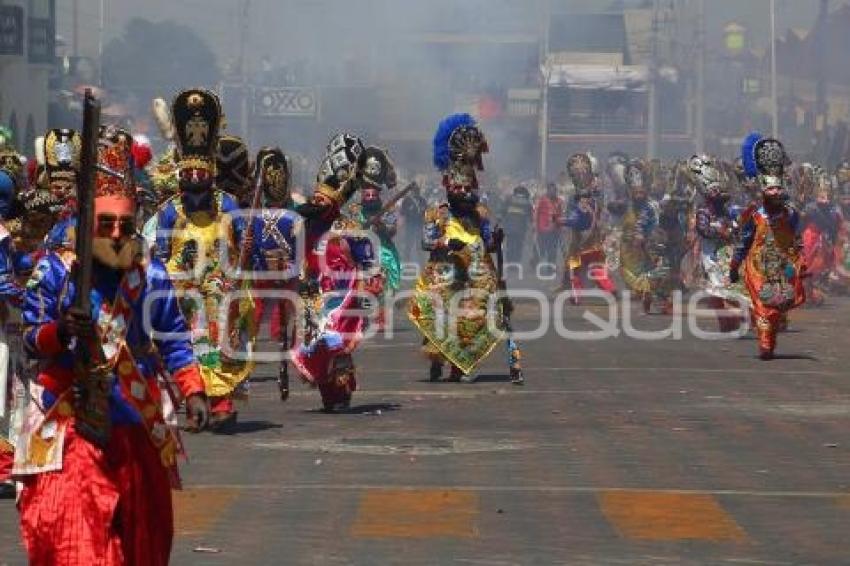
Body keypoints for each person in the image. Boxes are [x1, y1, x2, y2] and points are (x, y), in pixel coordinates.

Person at [15, 124, 209, 565]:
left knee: (144, 544)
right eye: (106, 224)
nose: (118, 234)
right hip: (70, 424)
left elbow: (175, 339)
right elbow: (32, 339)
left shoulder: (151, 277)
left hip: (136, 425)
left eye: (125, 224)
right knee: (78, 545)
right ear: (87, 224)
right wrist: (62, 331)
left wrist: (193, 389)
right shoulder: (55, 275)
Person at [154, 89, 253, 430]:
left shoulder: (227, 205)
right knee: (188, 346)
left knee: (221, 345)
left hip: (219, 289)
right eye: (188, 179)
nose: (195, 185)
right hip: (183, 292)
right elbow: (163, 254)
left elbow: (240, 245)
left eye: (202, 178)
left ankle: (222, 400)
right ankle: (195, 398)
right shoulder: (170, 211)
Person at [409, 113, 522, 384]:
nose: (464, 193)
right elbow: (427, 241)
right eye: (459, 189)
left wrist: (495, 239)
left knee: (474, 317)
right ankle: (437, 362)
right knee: (438, 318)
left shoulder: (480, 214)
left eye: (468, 188)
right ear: (449, 188)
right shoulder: (437, 213)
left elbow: (490, 244)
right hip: (444, 275)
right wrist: (448, 243)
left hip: (474, 276)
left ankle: (460, 367)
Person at [290, 133, 381, 412]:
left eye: (322, 201)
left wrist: (370, 287)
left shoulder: (348, 227)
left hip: (343, 299)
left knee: (337, 346)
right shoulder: (305, 226)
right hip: (314, 296)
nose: (317, 204)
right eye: (315, 199)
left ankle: (341, 394)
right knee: (317, 348)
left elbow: (368, 262)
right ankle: (328, 394)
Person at [731, 134, 806, 360]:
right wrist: (734, 265)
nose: (774, 194)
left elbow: (795, 233)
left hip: (782, 267)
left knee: (778, 305)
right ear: (763, 191)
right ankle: (765, 343)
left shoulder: (789, 213)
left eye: (777, 190)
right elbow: (744, 240)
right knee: (763, 306)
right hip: (758, 267)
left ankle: (770, 336)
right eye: (770, 190)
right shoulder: (754, 215)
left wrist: (801, 260)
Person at [248, 147, 300, 400]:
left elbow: (297, 248)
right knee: (256, 312)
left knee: (282, 316)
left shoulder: (287, 216)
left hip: (282, 269)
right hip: (267, 270)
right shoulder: (257, 217)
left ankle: (286, 353)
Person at [345, 147, 400, 331]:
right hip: (361, 252)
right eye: (366, 194)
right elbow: (346, 231)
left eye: (373, 195)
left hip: (383, 250)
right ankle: (360, 318)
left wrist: (381, 227)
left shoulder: (388, 208)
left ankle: (381, 316)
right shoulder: (354, 210)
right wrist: (359, 230)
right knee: (359, 285)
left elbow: (393, 231)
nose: (369, 197)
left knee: (382, 284)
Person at [690, 155, 745, 332]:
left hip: (727, 254)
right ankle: (725, 322)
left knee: (732, 286)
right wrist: (720, 231)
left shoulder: (727, 211)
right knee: (714, 291)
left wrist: (735, 227)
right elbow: (703, 230)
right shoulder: (703, 212)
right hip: (709, 256)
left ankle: (735, 316)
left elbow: (736, 227)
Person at [561, 153, 616, 303]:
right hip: (578, 236)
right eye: (577, 173)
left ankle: (607, 288)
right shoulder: (571, 195)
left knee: (591, 265)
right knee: (579, 266)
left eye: (583, 171)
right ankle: (580, 294)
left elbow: (604, 212)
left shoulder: (598, 192)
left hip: (590, 235)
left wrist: (604, 227)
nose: (581, 175)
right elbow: (568, 215)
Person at [619, 160, 666, 314]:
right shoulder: (627, 205)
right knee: (636, 275)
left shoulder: (652, 205)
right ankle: (648, 297)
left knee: (657, 273)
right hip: (632, 249)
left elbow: (649, 221)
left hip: (652, 245)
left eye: (641, 192)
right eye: (636, 192)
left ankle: (655, 298)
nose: (638, 195)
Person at [800, 170, 844, 305]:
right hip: (810, 239)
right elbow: (801, 223)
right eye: (821, 195)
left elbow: (835, 226)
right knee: (809, 266)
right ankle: (808, 292)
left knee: (819, 267)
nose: (824, 198)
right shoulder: (810, 208)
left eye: (826, 195)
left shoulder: (833, 210)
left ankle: (812, 292)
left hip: (823, 240)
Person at [499, 185, 534, 265]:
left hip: (509, 227)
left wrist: (500, 220)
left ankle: (510, 261)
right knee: (519, 245)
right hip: (521, 228)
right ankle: (516, 262)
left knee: (510, 244)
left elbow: (502, 211)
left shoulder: (509, 199)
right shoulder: (527, 202)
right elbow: (530, 216)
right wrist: (532, 225)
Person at [533, 182, 564, 268]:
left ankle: (550, 268)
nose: (552, 192)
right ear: (547, 190)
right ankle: (535, 264)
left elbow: (560, 215)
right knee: (541, 250)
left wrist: (560, 227)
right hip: (542, 230)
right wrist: (535, 226)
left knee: (553, 251)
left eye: (554, 190)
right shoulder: (542, 200)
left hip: (554, 230)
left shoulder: (559, 201)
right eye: (550, 190)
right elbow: (536, 213)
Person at [399, 181, 427, 263]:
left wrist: (423, 211)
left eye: (417, 190)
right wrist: (409, 210)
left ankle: (421, 261)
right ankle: (406, 260)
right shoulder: (406, 201)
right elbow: (402, 212)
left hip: (419, 224)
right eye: (414, 190)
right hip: (410, 224)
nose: (416, 192)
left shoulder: (422, 200)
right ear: (412, 191)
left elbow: (426, 210)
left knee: (419, 244)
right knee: (409, 244)